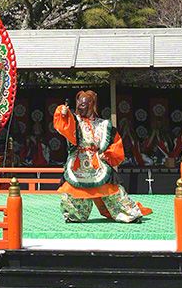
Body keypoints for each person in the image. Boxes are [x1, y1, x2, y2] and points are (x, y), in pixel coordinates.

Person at [53, 90, 152, 223]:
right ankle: (74, 215)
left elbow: (115, 143)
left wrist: (108, 154)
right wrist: (62, 113)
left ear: (92, 105)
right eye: (79, 104)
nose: (81, 106)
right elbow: (63, 126)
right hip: (78, 164)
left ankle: (128, 213)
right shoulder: (74, 121)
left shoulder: (104, 125)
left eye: (84, 104)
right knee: (73, 193)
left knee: (113, 192)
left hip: (98, 163)